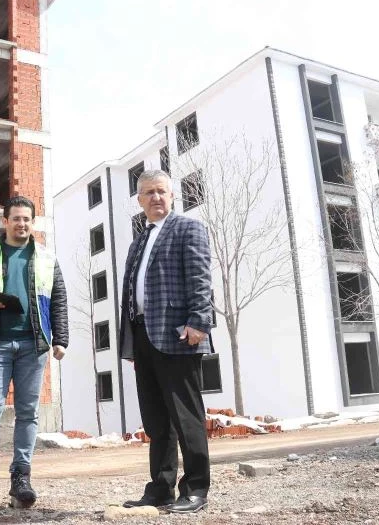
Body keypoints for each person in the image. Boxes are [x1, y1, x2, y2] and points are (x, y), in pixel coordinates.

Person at [0, 195, 68, 510]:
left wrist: (61, 339)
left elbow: (58, 299)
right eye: (16, 218)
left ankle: (21, 479)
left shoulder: (47, 257)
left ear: (32, 223)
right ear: (5, 221)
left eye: (27, 219)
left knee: (28, 413)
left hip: (33, 346)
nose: (22, 224)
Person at [119, 169, 214, 514]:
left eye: (162, 191)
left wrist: (199, 322)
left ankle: (196, 488)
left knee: (186, 416)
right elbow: (132, 292)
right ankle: (160, 488)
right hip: (144, 336)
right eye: (149, 193)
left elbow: (200, 277)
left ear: (172, 195)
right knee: (156, 420)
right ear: (140, 200)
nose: (156, 197)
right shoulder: (139, 241)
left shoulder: (188, 228)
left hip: (179, 335)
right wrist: (132, 342)